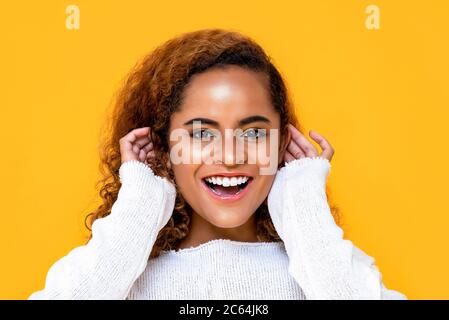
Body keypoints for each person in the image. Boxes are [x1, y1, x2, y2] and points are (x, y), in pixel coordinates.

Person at [28, 28, 406, 300]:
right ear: (162, 147)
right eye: (201, 133)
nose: (229, 157)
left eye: (254, 133)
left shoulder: (322, 269)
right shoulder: (118, 275)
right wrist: (140, 206)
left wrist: (303, 207)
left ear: (282, 144)